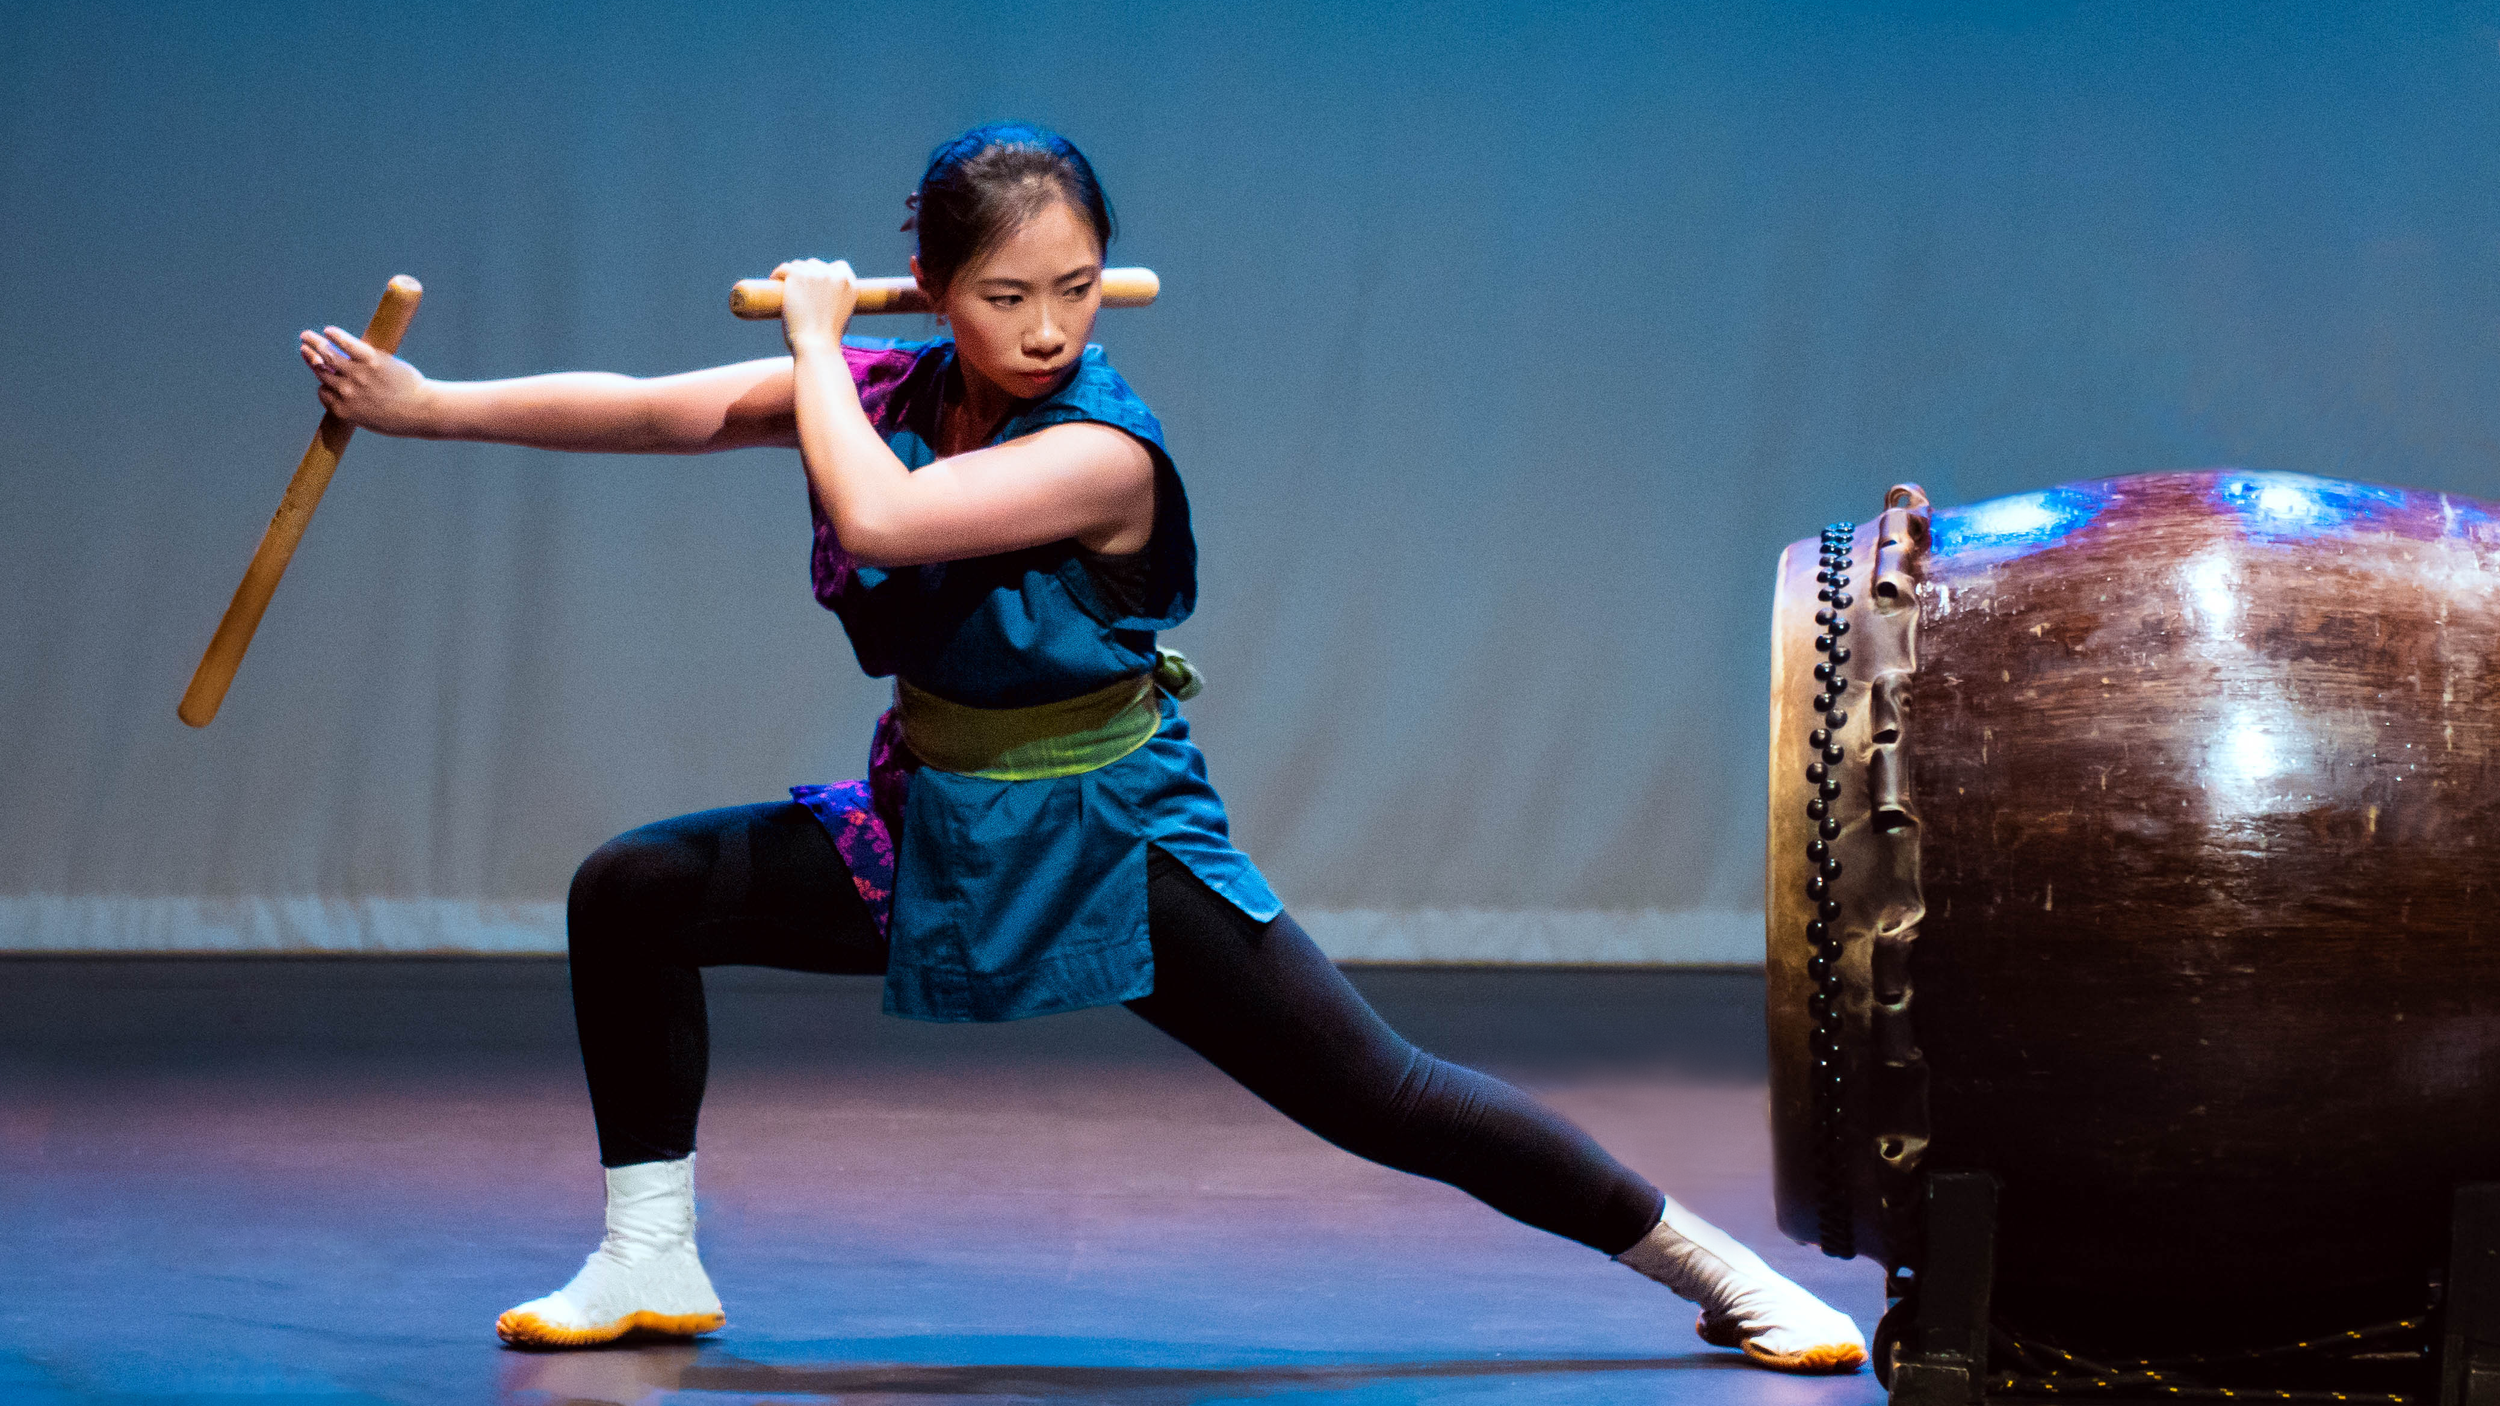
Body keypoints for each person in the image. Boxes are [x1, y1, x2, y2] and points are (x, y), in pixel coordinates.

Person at [297, 122, 1866, 1374]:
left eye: (1075, 285)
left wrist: (823, 338)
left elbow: (883, 517)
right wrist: (429, 407)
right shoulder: (896, 392)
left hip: (1110, 830)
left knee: (1381, 1092)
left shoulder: (1104, 451)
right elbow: (660, 412)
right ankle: (652, 1252)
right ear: (937, 279)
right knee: (632, 890)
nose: (1047, 328)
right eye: (1005, 296)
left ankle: (1712, 1265)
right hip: (937, 817)